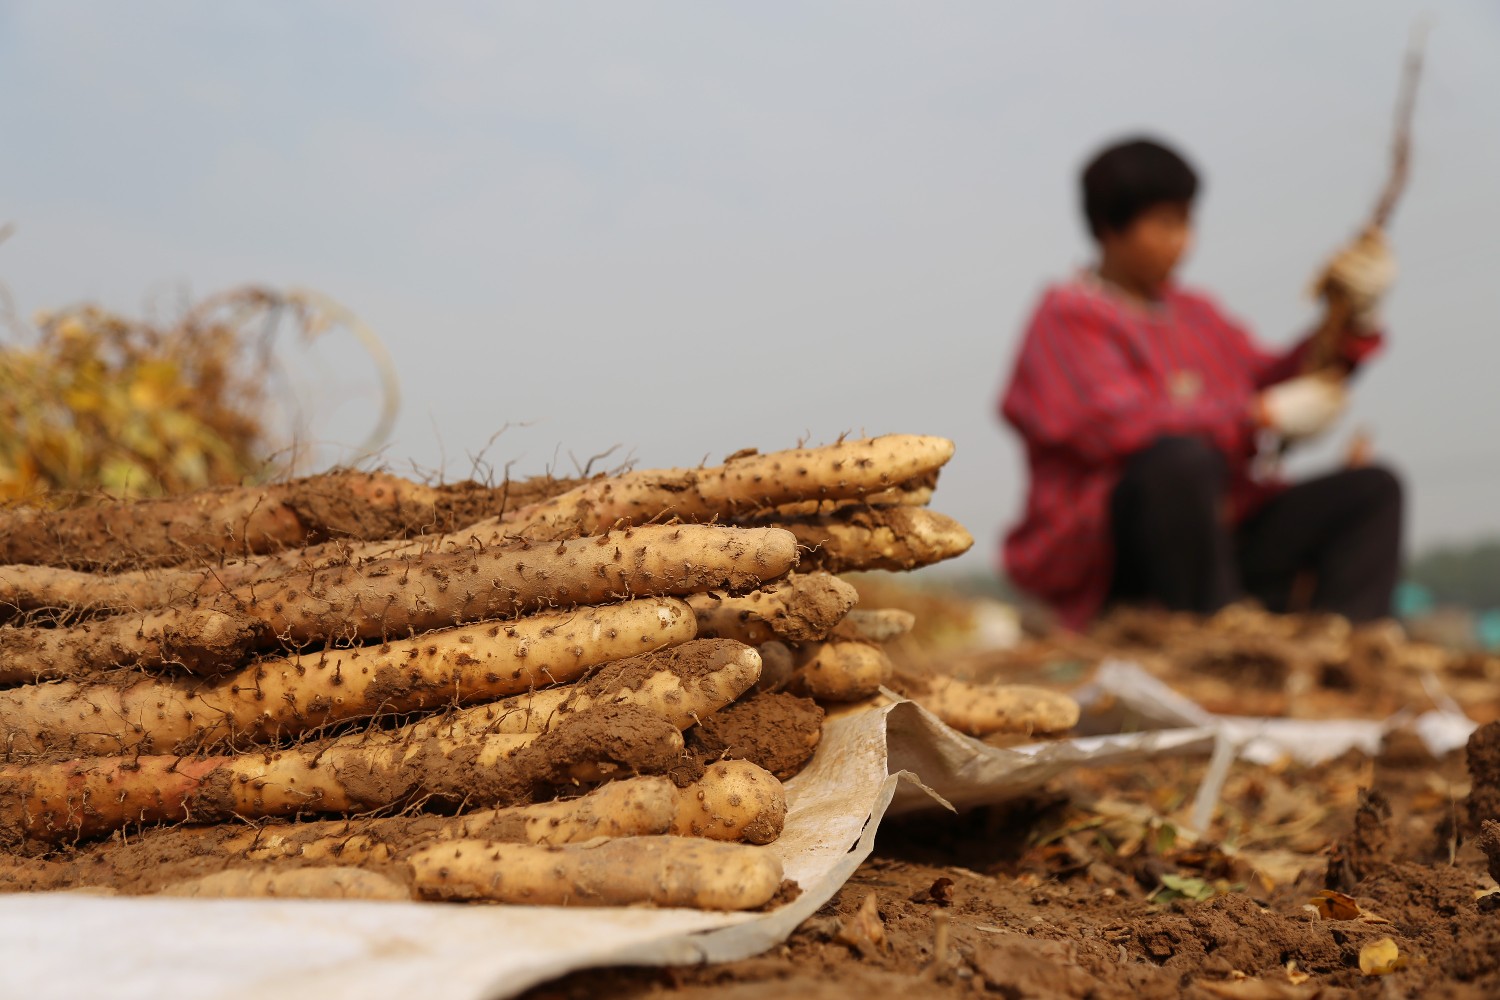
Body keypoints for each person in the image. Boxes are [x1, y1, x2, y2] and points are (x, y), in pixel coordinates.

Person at [998, 137, 1402, 630]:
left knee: (1374, 491)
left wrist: (1350, 321)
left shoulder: (1196, 315)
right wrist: (1258, 415)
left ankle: (1347, 648)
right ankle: (1214, 635)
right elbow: (1113, 423)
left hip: (1225, 534)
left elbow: (1271, 376)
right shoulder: (1067, 315)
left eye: (1187, 222)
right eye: (1166, 224)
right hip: (1117, 555)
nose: (1184, 242)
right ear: (1110, 228)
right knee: (1178, 462)